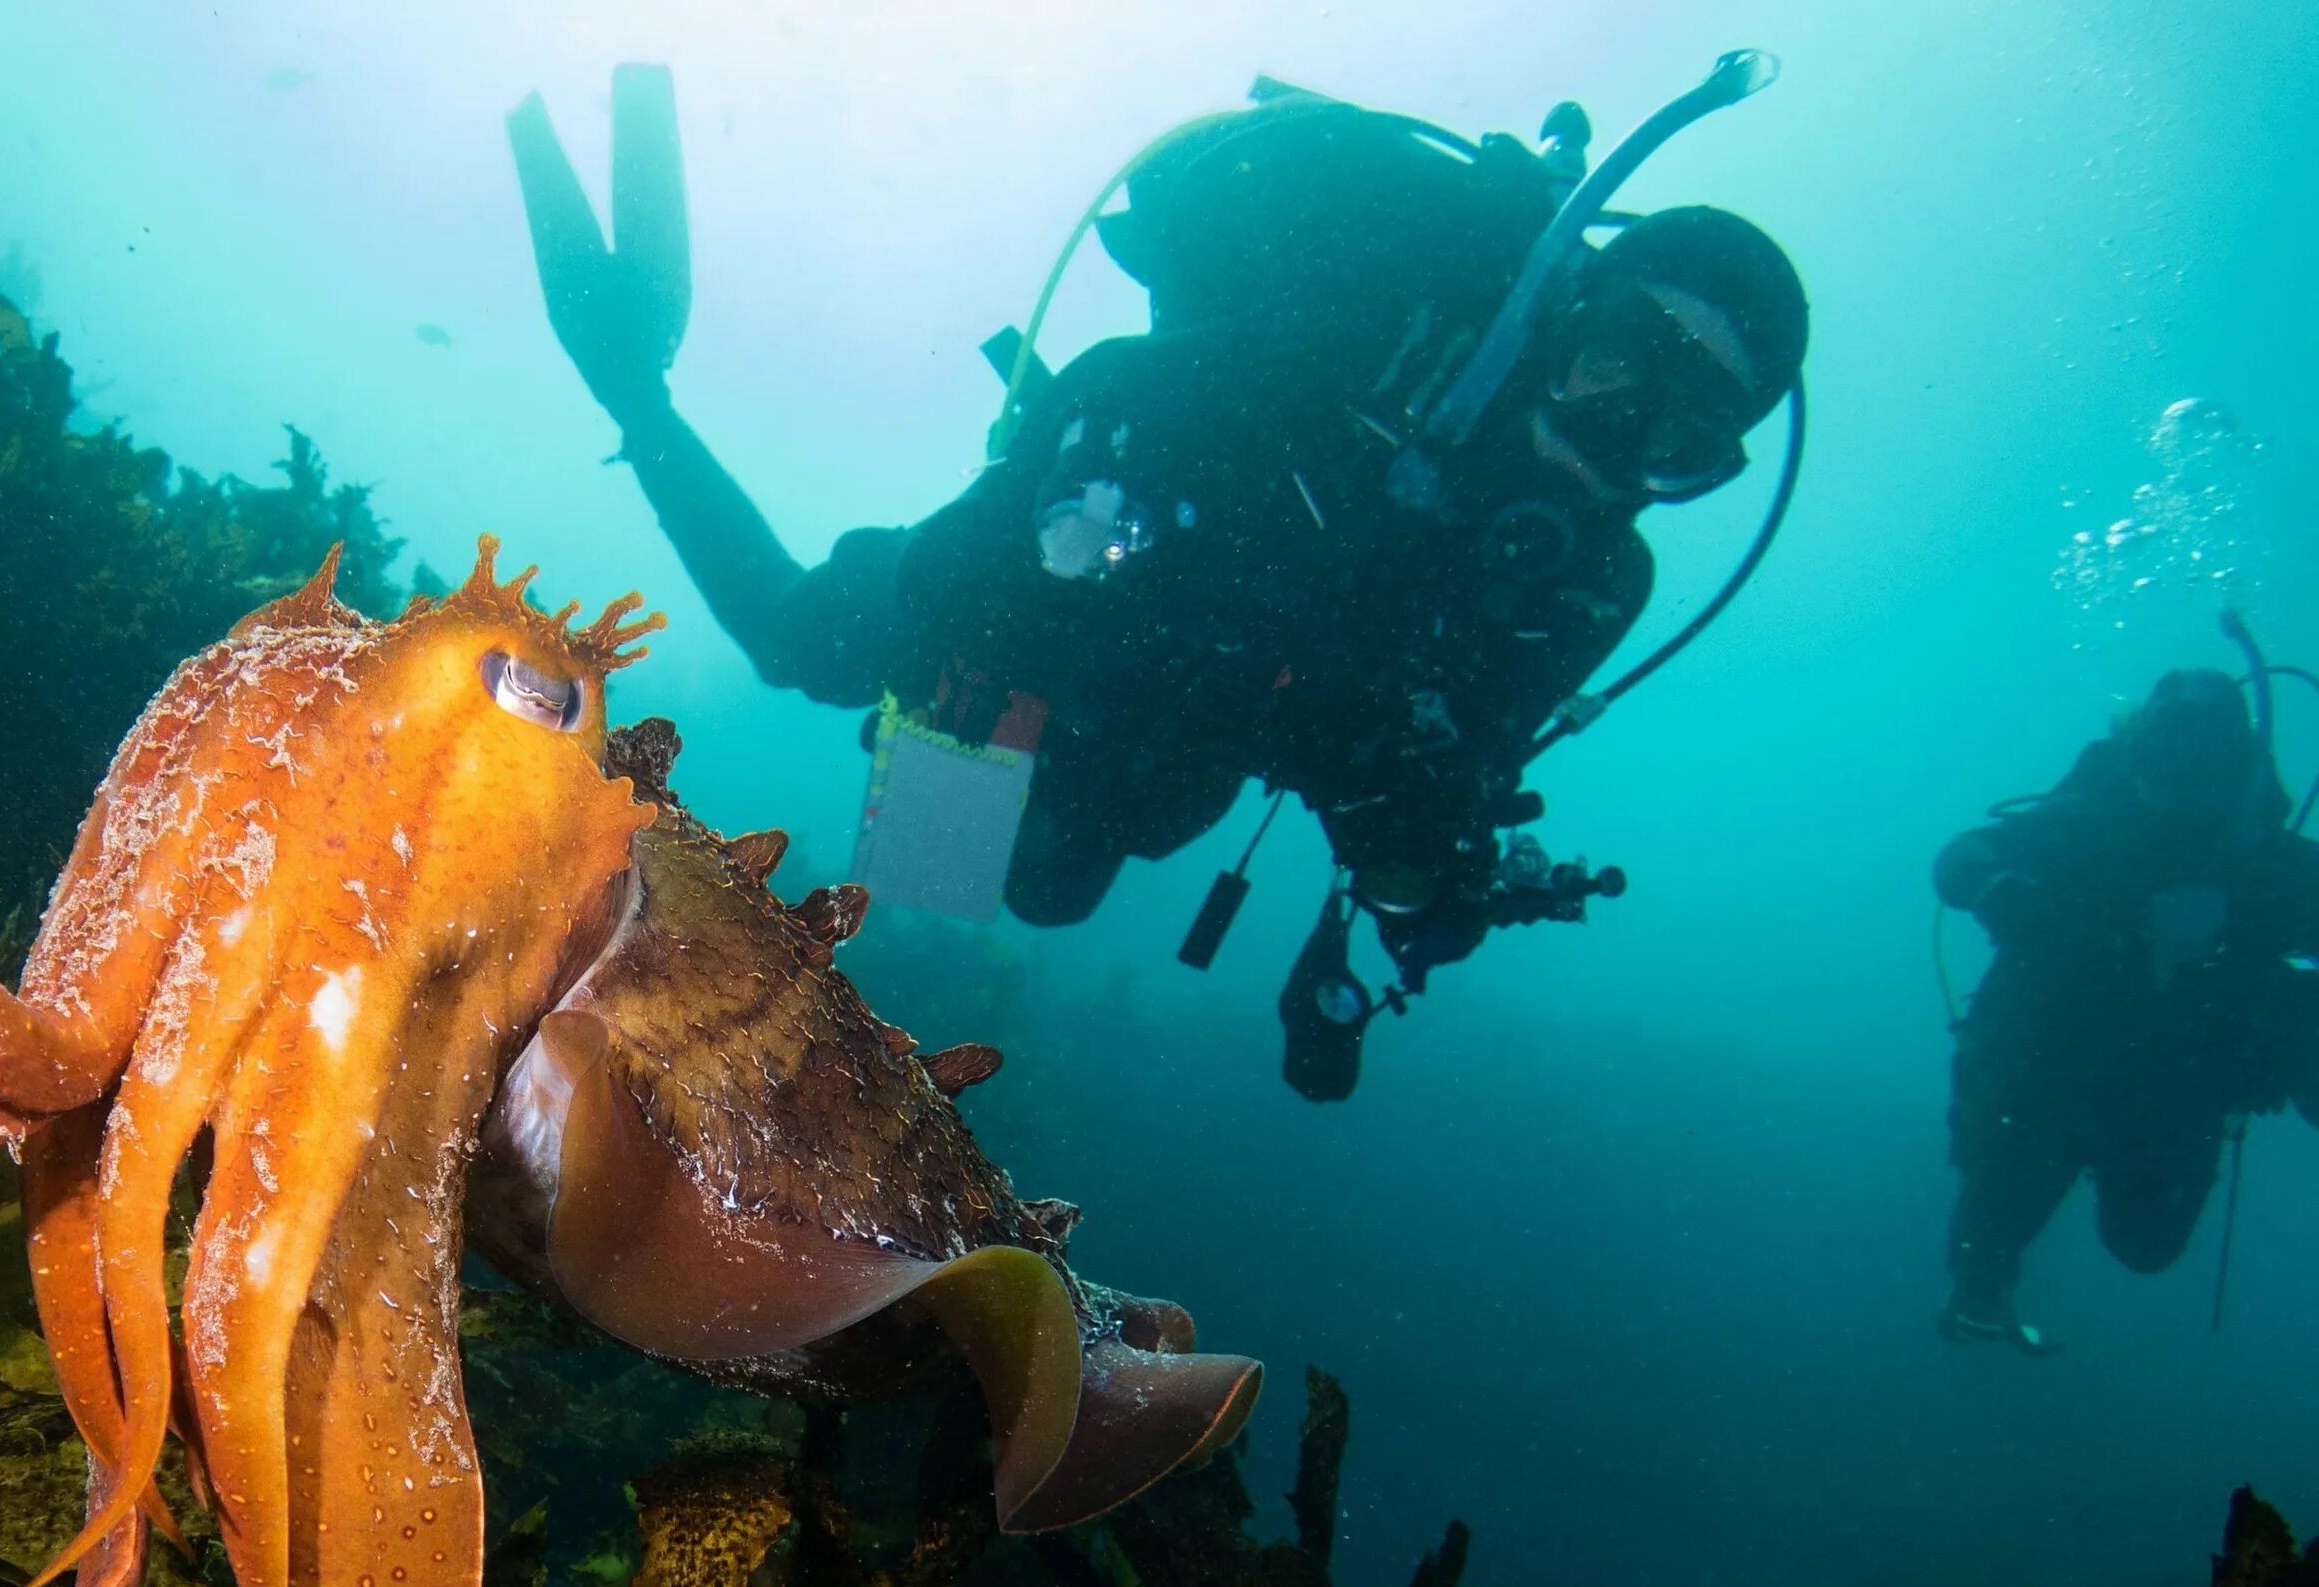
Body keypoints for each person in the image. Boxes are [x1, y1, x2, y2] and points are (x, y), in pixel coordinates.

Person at [509, 61, 1808, 1100]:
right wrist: (1052, 591)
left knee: (1043, 895)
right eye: (1615, 366)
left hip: (1190, 730)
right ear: (1562, 319)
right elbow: (1099, 415)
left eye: (1681, 442)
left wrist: (1420, 859)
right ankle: (633, 374)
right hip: (1041, 614)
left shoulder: (1588, 589)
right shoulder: (1374, 338)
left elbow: (1430, 831)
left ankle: (953, 792)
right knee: (807, 646)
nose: (1618, 435)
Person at [1935, 666, 2319, 1349]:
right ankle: (1982, 1294)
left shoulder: (2280, 869)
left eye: (2211, 751)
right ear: (2138, 749)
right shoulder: (2085, 823)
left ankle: (1985, 1283)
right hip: (2045, 1080)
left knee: (2145, 1248)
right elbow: (1961, 856)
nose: (2188, 772)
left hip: (2170, 1100)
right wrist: (2000, 890)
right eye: (2173, 746)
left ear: (2244, 760)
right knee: (1986, 1246)